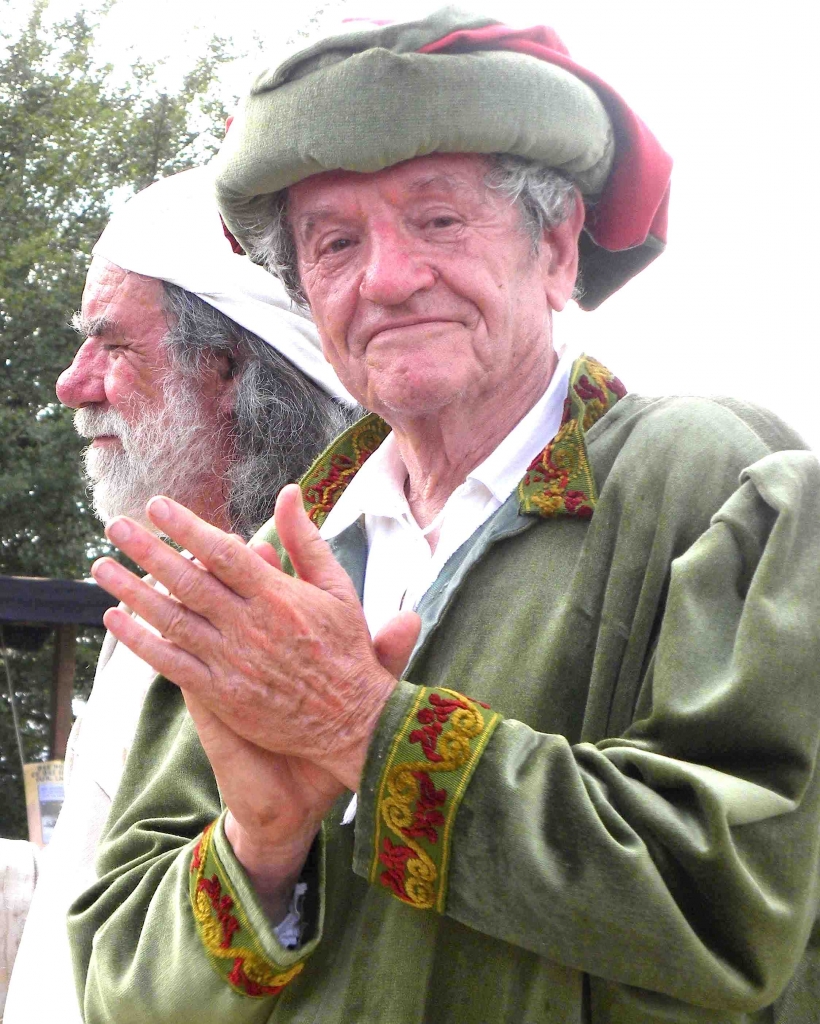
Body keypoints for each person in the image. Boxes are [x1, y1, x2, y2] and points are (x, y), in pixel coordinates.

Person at [69, 10, 820, 1024]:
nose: (385, 278)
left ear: (556, 251)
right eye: (335, 243)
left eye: (438, 221)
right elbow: (121, 988)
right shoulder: (265, 576)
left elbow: (738, 909)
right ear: (308, 294)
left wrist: (362, 732)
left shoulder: (715, 476)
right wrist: (261, 850)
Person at [2, 166, 354, 1024]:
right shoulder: (169, 591)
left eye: (112, 345)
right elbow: (99, 894)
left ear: (231, 366)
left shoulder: (337, 605)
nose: (71, 384)